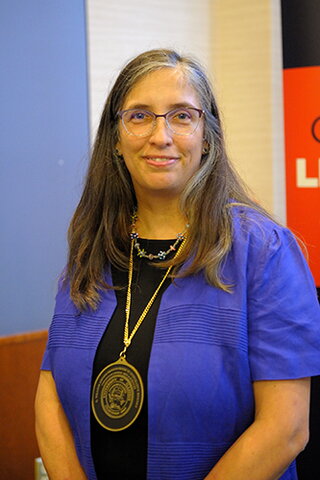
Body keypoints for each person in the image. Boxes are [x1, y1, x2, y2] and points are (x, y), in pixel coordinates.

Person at [35, 49, 320, 480]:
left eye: (182, 116)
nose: (160, 135)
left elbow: (286, 428)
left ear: (207, 136)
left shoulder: (264, 251)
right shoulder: (93, 249)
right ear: (115, 136)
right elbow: (50, 396)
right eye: (140, 116)